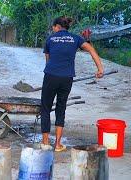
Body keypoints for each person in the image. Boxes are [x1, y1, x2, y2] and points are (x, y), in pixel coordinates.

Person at [41, 17, 104, 151]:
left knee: (45, 108)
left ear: (57, 26)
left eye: (53, 27)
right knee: (60, 108)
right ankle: (57, 145)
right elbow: (91, 50)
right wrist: (100, 69)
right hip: (67, 78)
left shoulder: (50, 39)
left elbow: (48, 61)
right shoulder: (76, 38)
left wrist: (53, 74)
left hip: (51, 76)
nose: (53, 29)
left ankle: (45, 143)